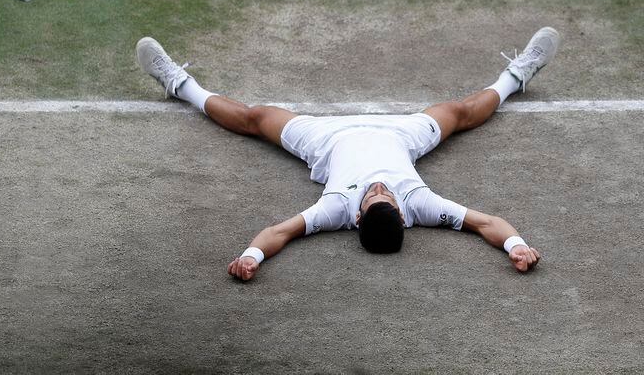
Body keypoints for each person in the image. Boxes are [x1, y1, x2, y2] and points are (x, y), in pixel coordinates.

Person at [136, 27, 560, 281]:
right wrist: (516, 246)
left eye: (377, 196)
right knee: (459, 112)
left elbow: (278, 233)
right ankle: (517, 74)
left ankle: (179, 84)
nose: (381, 188)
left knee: (254, 117)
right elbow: (488, 223)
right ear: (402, 212)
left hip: (325, 139)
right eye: (387, 195)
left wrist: (249, 257)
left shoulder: (336, 208)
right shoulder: (420, 205)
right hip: (401, 135)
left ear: (357, 217)